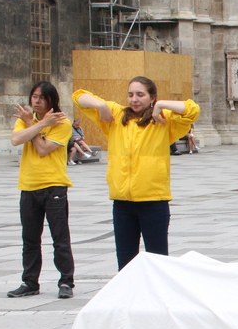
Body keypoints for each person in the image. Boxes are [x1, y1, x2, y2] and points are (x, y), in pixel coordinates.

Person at [74, 76, 200, 270]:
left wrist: (161, 105)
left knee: (157, 260)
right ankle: (130, 299)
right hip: (123, 202)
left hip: (153, 200)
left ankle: (157, 299)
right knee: (125, 262)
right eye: (131, 94)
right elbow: (79, 97)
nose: (134, 99)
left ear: (152, 97)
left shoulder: (163, 119)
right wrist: (100, 105)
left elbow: (193, 110)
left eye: (141, 95)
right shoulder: (115, 116)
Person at [8, 82, 75, 299]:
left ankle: (66, 281)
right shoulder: (24, 120)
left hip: (53, 185)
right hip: (28, 185)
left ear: (51, 100)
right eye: (34, 96)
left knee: (60, 237)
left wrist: (33, 125)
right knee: (30, 238)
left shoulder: (62, 122)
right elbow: (16, 139)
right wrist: (33, 123)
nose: (36, 101)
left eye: (42, 98)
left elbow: (44, 149)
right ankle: (30, 282)